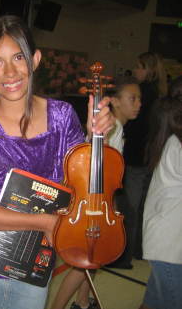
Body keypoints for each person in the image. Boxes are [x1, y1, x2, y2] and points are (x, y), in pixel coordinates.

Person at [0, 15, 115, 309]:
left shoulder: (62, 116)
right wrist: (43, 221)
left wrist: (96, 136)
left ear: (35, 59)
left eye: (18, 57)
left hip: (34, 266)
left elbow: (86, 189)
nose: (9, 72)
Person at [51, 75, 142, 309]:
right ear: (115, 101)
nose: (139, 103)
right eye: (133, 98)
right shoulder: (112, 127)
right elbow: (91, 161)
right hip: (91, 206)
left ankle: (82, 301)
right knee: (84, 264)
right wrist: (96, 134)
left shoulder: (119, 128)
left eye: (140, 98)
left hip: (100, 206)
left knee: (95, 259)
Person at [139, 76, 182, 309]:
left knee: (154, 302)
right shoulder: (177, 144)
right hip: (169, 247)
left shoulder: (172, 140)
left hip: (166, 244)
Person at [122, 52, 167, 260]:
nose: (136, 70)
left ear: (149, 69)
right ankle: (138, 250)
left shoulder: (143, 95)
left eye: (140, 66)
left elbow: (136, 130)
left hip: (137, 157)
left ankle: (126, 252)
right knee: (143, 207)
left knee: (130, 208)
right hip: (151, 157)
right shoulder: (161, 94)